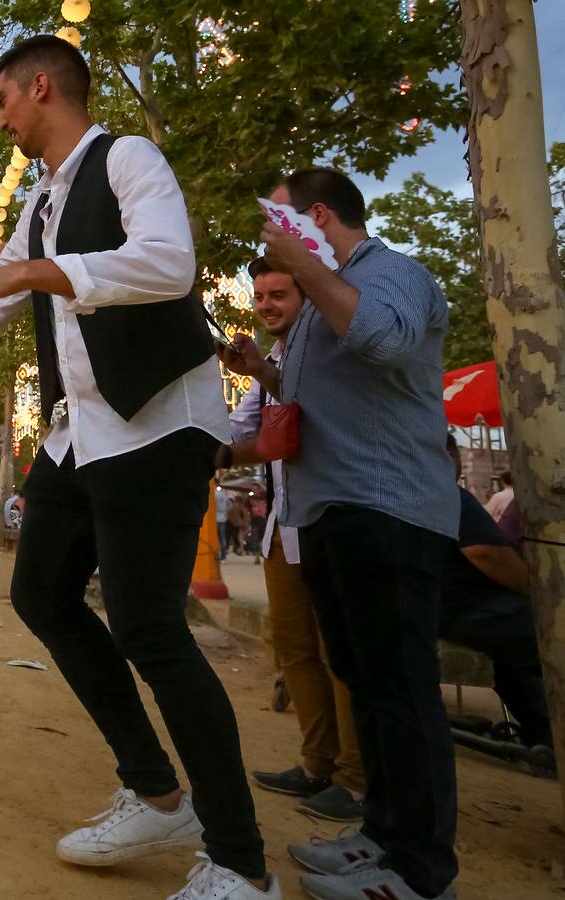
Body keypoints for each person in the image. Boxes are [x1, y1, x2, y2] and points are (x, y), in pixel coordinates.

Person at [0, 36, 275, 899]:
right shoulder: (42, 203)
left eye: (4, 99)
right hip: (83, 431)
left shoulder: (129, 157)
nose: (1, 115)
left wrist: (39, 270)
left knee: (149, 628)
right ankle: (157, 791)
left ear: (39, 87)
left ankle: (241, 864)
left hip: (161, 420)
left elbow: (170, 263)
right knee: (40, 592)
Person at [224, 168, 459, 900]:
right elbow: (310, 397)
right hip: (329, 513)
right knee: (368, 682)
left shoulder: (394, 275)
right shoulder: (320, 306)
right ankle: (383, 837)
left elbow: (386, 340)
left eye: (278, 224)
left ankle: (423, 874)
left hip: (387, 511)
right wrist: (262, 370)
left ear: (316, 217)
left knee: (403, 691)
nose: (270, 239)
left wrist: (301, 268)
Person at [220, 257, 365, 824]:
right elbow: (244, 434)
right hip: (285, 523)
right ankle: (317, 764)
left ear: (308, 296)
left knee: (340, 652)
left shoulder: (331, 349)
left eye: (278, 294)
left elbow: (315, 421)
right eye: (259, 296)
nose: (265, 306)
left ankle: (356, 777)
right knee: (296, 649)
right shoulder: (276, 358)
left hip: (332, 517)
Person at [441, 433, 551, 750]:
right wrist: (532, 590)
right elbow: (485, 552)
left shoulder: (409, 496)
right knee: (541, 633)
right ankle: (545, 731)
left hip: (445, 608)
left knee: (512, 652)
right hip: (472, 607)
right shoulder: (451, 496)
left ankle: (541, 730)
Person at [215, 484, 233, 561]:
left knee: (216, 537)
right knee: (223, 538)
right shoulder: (225, 496)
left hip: (215, 518)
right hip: (223, 518)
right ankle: (223, 556)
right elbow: (231, 505)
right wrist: (226, 510)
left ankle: (217, 554)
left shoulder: (214, 495)